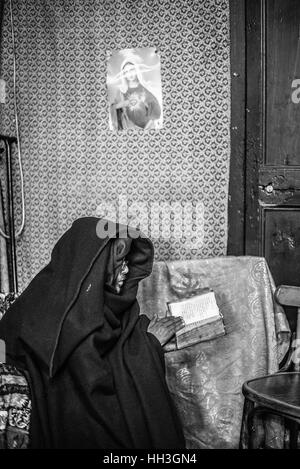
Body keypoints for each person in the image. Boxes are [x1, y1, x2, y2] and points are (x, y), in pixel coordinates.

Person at [0, 217, 185, 449]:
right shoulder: (69, 318)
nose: (127, 270)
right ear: (96, 266)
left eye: (128, 261)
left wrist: (140, 334)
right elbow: (97, 392)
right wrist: (149, 344)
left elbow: (114, 339)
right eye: (119, 262)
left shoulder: (101, 298)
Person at [110, 60, 161, 130]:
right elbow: (113, 108)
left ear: (137, 71)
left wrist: (148, 126)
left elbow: (155, 109)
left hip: (146, 127)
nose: (129, 74)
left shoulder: (144, 88)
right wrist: (123, 103)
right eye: (126, 72)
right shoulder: (121, 91)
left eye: (132, 70)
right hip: (128, 128)